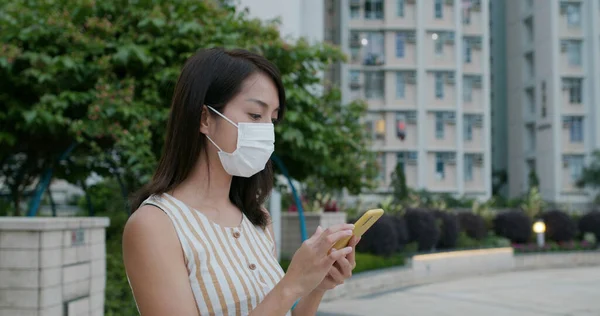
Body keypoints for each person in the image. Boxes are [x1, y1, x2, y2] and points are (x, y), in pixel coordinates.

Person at [123, 48, 360, 316]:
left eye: (272, 119)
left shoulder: (257, 219)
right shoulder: (154, 225)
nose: (266, 131)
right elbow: (284, 294)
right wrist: (291, 285)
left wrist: (316, 285)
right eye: (255, 116)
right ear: (205, 118)